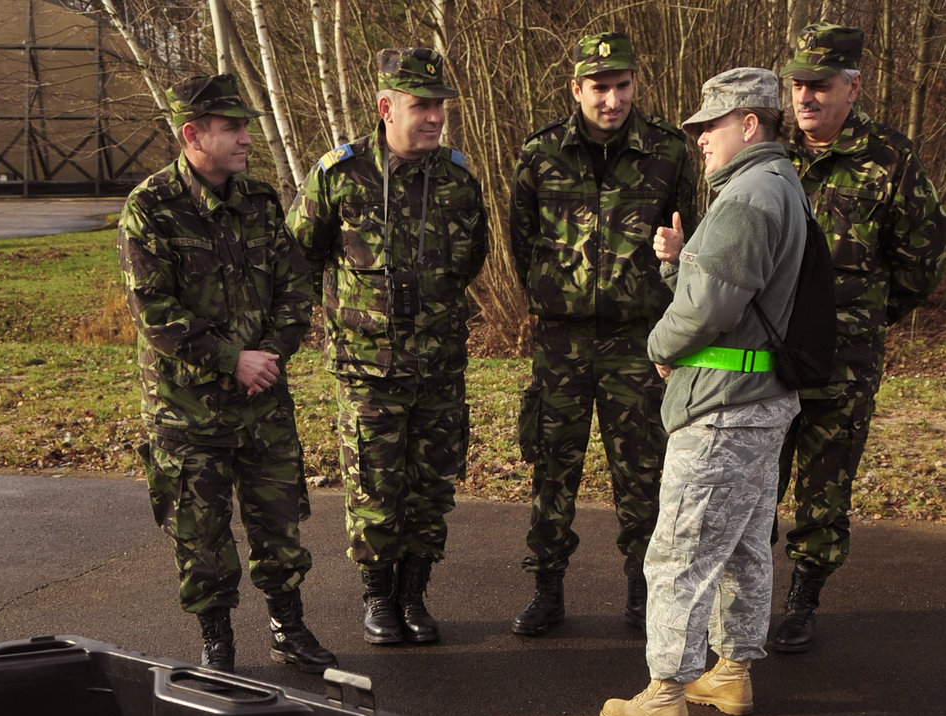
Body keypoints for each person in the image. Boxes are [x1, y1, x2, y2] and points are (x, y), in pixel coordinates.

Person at [599, 68, 807, 716]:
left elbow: (710, 308)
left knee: (679, 551)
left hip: (722, 406)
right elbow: (737, 289)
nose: (699, 141)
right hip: (761, 397)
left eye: (710, 127)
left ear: (750, 124)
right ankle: (731, 668)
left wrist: (661, 341)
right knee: (744, 543)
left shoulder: (747, 194)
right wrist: (679, 262)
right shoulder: (780, 186)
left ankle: (665, 689)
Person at [117, 74, 337, 675]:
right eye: (232, 127)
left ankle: (288, 628)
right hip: (189, 412)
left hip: (263, 400)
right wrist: (230, 359)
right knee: (201, 536)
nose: (246, 137)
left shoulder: (261, 201)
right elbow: (154, 312)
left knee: (279, 524)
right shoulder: (151, 208)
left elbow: (296, 287)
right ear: (192, 134)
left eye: (246, 125)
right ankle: (217, 644)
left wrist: (269, 355)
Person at [287, 48, 488, 645]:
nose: (434, 117)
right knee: (375, 491)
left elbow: (472, 257)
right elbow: (299, 256)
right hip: (368, 371)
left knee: (431, 489)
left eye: (440, 106)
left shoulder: (456, 177)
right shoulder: (338, 175)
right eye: (421, 105)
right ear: (386, 107)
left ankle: (414, 596)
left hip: (440, 368)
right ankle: (378, 598)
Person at [508, 32, 697, 637]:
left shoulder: (668, 152)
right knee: (552, 468)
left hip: (637, 340)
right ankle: (547, 589)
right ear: (576, 89)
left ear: (635, 84)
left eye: (621, 86)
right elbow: (520, 244)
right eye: (599, 88)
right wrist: (550, 299)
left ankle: (643, 593)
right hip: (560, 342)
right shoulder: (540, 154)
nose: (611, 100)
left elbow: (687, 243)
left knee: (643, 472)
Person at [771, 23, 946, 652]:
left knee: (825, 485)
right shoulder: (770, 152)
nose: (806, 98)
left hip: (844, 359)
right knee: (756, 478)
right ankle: (739, 600)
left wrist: (863, 315)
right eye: (797, 85)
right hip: (765, 353)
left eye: (819, 85)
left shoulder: (892, 160)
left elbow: (922, 261)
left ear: (853, 86)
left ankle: (803, 600)